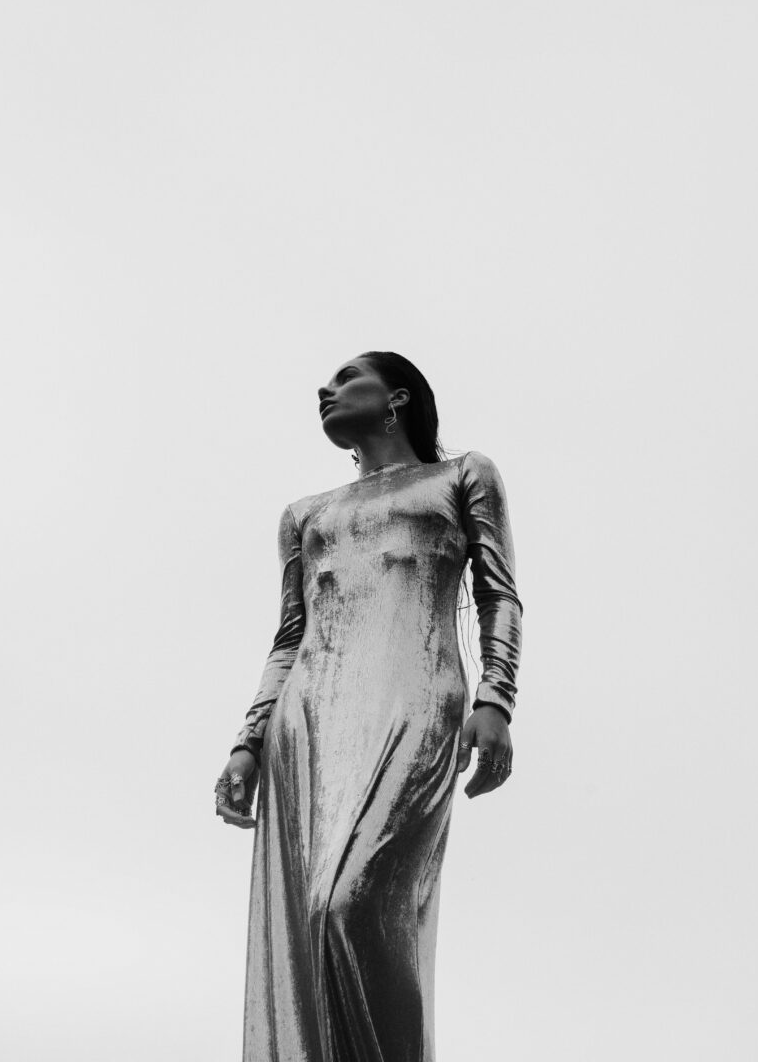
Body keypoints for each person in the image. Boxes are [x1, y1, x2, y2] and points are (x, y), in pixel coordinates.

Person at [215, 351, 524, 1061]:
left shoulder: (461, 476)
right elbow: (289, 639)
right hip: (308, 724)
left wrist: (497, 697)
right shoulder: (306, 516)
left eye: (347, 378)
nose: (325, 390)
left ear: (398, 398)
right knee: (310, 926)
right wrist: (247, 743)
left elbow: (499, 595)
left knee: (351, 904)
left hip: (416, 700)